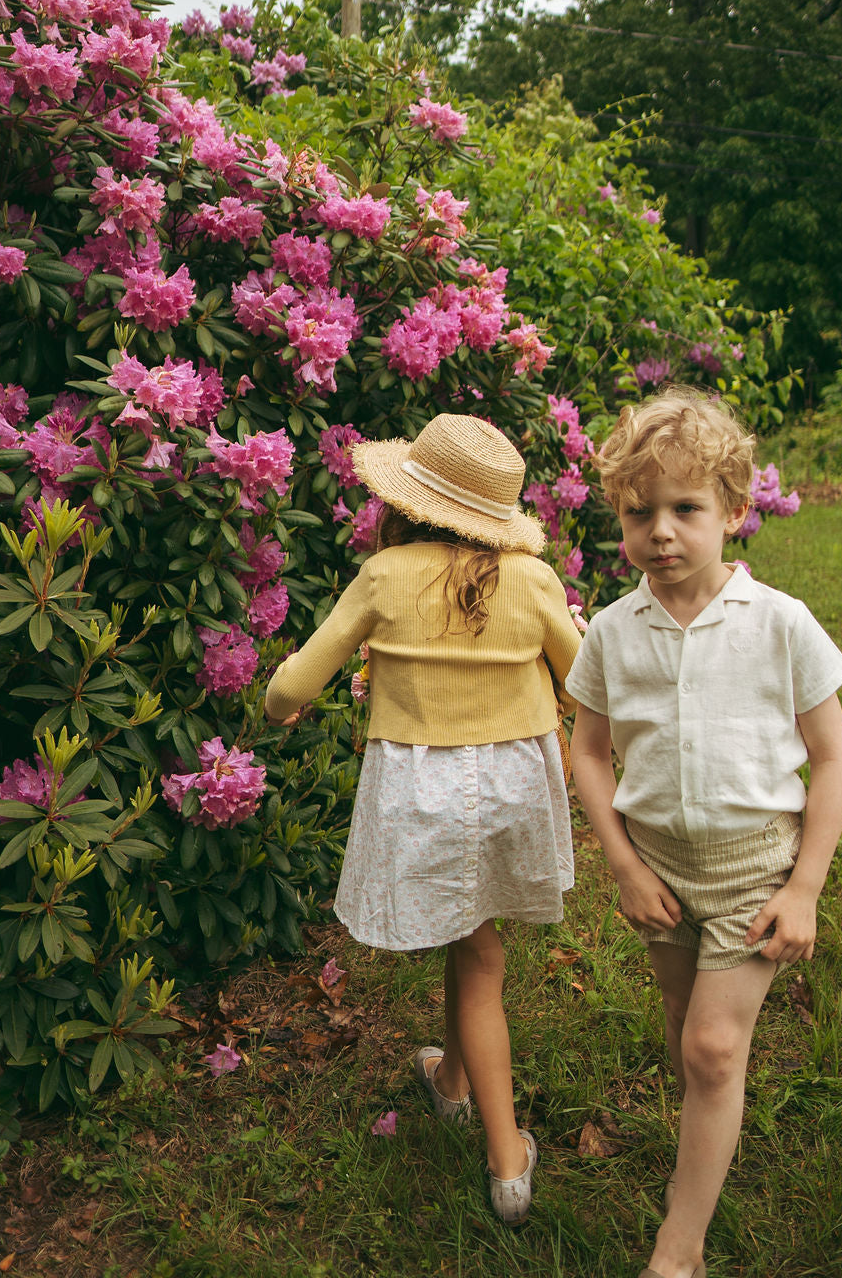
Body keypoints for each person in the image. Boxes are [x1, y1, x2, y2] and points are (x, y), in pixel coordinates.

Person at [265, 413, 581, 1225]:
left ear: (408, 503)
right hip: (514, 782)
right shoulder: (534, 581)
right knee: (471, 935)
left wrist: (278, 702)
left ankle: (507, 1162)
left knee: (477, 949)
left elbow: (294, 686)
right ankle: (451, 1081)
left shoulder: (385, 576)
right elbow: (585, 681)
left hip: (423, 787)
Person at [566, 387, 842, 1278]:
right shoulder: (612, 633)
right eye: (638, 513)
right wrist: (623, 866)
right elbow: (588, 752)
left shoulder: (779, 624)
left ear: (733, 511)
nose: (660, 532)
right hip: (658, 866)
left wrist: (804, 888)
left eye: (685, 509)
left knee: (713, 1047)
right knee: (683, 1021)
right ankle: (706, 1113)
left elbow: (833, 757)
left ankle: (677, 1251)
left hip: (753, 870)